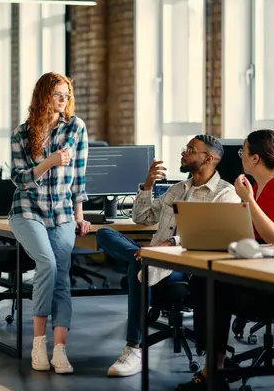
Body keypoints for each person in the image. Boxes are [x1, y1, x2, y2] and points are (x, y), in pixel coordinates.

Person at [96, 135, 240, 378]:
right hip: (155, 257)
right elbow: (142, 218)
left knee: (140, 264)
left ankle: (134, 348)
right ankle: (141, 257)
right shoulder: (177, 189)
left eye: (191, 150)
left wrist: (170, 243)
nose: (184, 153)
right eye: (186, 148)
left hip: (186, 265)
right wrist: (148, 186)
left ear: (209, 158)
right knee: (105, 234)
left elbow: (210, 235)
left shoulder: (225, 194)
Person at [176, 129, 274, 391]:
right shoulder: (258, 186)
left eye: (243, 151)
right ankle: (214, 367)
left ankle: (214, 370)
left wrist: (247, 201)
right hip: (259, 267)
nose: (240, 157)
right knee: (205, 282)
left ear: (255, 159)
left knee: (212, 288)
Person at [9, 72, 90, 374]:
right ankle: (38, 344)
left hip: (63, 214)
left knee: (62, 276)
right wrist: (49, 162)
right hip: (27, 210)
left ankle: (60, 350)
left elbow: (79, 177)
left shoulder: (76, 128)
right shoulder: (23, 133)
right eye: (58, 94)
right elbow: (18, 179)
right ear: (44, 96)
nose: (63, 100)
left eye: (67, 95)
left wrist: (80, 216)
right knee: (48, 264)